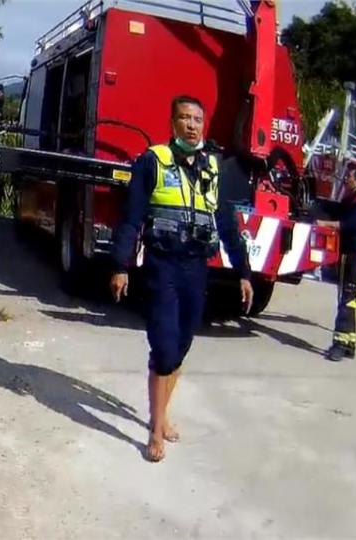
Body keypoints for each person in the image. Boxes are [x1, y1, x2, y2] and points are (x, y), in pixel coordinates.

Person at [110, 95, 253, 462]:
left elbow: (226, 224)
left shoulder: (213, 168)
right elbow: (131, 219)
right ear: (172, 122)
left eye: (197, 119)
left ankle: (162, 414)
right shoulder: (153, 162)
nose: (191, 125)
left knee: (182, 346)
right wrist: (121, 265)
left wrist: (243, 272)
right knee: (165, 348)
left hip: (195, 269)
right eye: (184, 118)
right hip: (163, 266)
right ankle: (155, 432)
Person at [322, 164, 356, 361]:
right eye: (344, 176)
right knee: (347, 300)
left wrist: (325, 224)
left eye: (348, 177)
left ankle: (339, 345)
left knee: (347, 302)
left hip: (353, 260)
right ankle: (350, 343)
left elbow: (347, 225)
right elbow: (335, 211)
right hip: (345, 258)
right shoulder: (349, 201)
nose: (345, 180)